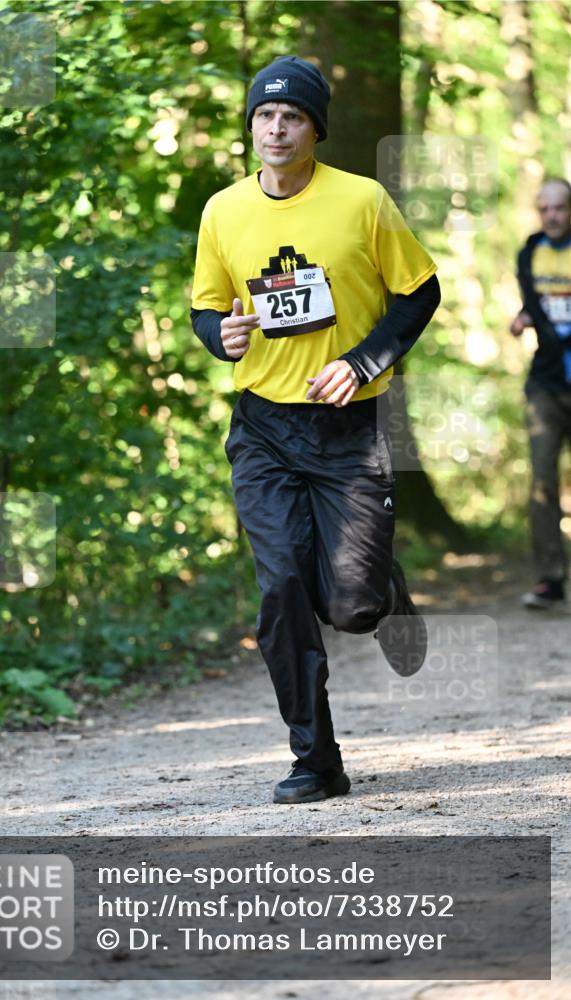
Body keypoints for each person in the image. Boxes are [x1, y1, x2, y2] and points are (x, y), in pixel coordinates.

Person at [190, 56, 440, 804]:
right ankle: (315, 756)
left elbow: (418, 292)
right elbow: (208, 305)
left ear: (313, 129)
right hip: (262, 428)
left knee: (349, 606)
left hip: (344, 429)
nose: (275, 127)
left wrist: (363, 363)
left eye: (290, 116)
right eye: (264, 116)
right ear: (250, 126)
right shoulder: (222, 211)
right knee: (282, 590)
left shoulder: (361, 201)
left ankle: (382, 591)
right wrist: (217, 337)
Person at [510, 178, 571, 610]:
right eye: (544, 208)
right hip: (546, 382)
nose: (552, 216)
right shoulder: (529, 252)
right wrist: (525, 316)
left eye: (561, 208)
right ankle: (551, 579)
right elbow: (534, 302)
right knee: (542, 482)